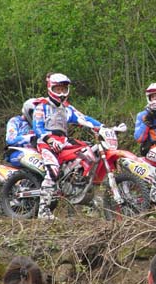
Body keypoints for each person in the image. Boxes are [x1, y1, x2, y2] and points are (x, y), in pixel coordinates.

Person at [33, 73, 103, 219]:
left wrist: (102, 127)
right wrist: (49, 140)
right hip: (46, 143)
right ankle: (43, 210)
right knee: (53, 169)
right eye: (57, 89)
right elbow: (37, 126)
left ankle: (77, 185)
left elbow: (83, 118)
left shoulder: (66, 108)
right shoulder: (42, 105)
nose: (61, 93)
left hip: (63, 141)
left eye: (63, 89)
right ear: (50, 88)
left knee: (89, 151)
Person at [5, 98, 38, 166]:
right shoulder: (15, 121)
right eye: (34, 113)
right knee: (27, 159)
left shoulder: (40, 123)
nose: (36, 116)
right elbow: (10, 139)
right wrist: (30, 138)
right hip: (19, 152)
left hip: (38, 152)